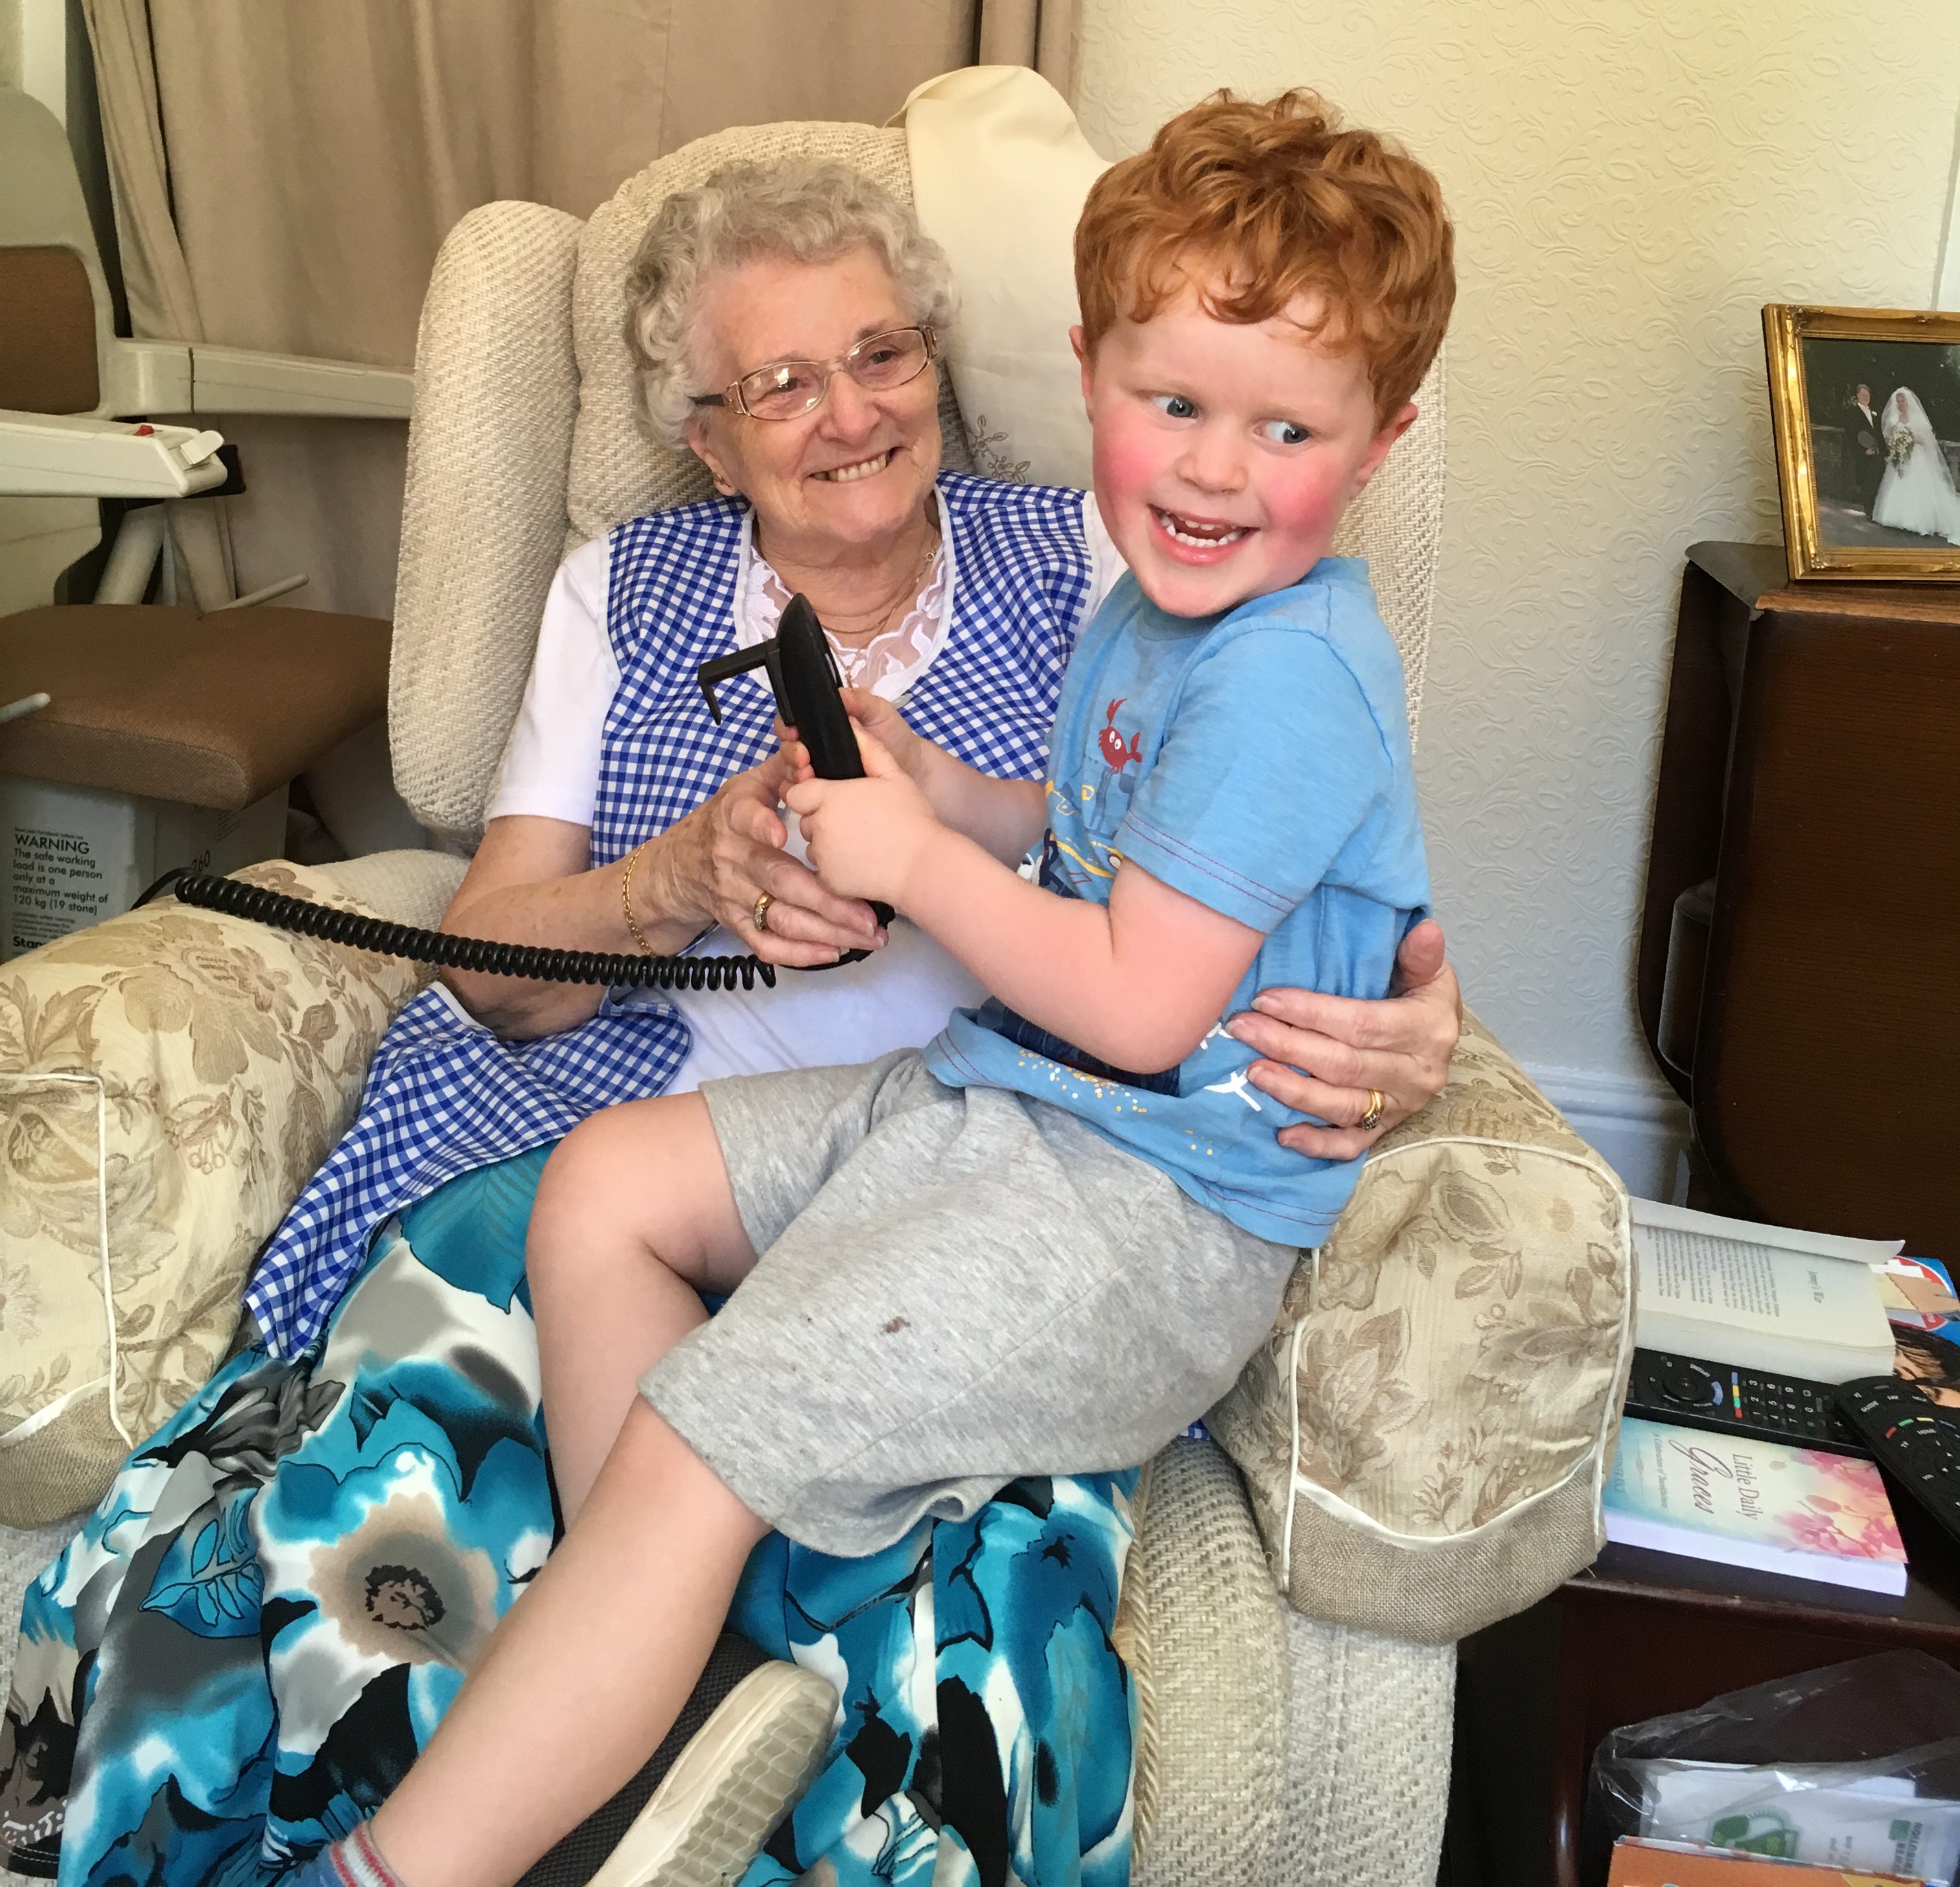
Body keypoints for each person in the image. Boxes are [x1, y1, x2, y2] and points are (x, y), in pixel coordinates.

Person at [3, 153, 1463, 1887]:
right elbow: (485, 955)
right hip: (712, 1132)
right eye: (782, 382)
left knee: (867, 1576)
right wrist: (679, 884)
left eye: (885, 354)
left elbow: (1263, 869)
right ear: (707, 435)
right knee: (390, 1520)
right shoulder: (619, 591)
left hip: (1021, 1167)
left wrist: (1416, 1012)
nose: (850, 412)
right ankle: (663, 1680)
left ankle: (559, 1773)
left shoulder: (1120, 552)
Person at [1872, 386, 1960, 544]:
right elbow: (1890, 437)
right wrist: (1897, 445)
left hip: (1917, 458)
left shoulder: (1918, 419)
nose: (1901, 404)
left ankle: (1920, 520)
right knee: (1898, 484)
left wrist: (1911, 440)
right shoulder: (1894, 419)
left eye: (1902, 401)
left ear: (1908, 401)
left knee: (1918, 487)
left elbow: (1926, 441)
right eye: (1898, 402)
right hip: (1901, 458)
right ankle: (1896, 517)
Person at [1840, 381, 1884, 517]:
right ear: (1858, 396)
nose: (1866, 397)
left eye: (1867, 395)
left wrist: (1883, 452)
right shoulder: (1853, 413)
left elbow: (1879, 435)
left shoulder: (1874, 413)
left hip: (1877, 455)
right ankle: (1870, 513)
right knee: (1867, 486)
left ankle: (1876, 512)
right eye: (1863, 395)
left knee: (1877, 483)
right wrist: (1863, 451)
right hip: (1864, 456)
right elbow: (1851, 436)